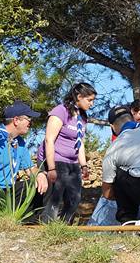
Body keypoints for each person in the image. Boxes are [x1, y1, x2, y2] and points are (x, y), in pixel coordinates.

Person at [37, 82, 97, 224]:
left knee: (74, 198)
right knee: (55, 198)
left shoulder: (82, 117)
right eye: (89, 100)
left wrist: (84, 165)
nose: (92, 104)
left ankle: (64, 227)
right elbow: (49, 140)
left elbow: (80, 142)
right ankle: (47, 227)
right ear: (79, 96)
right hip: (56, 159)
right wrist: (51, 168)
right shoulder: (60, 111)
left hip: (72, 163)